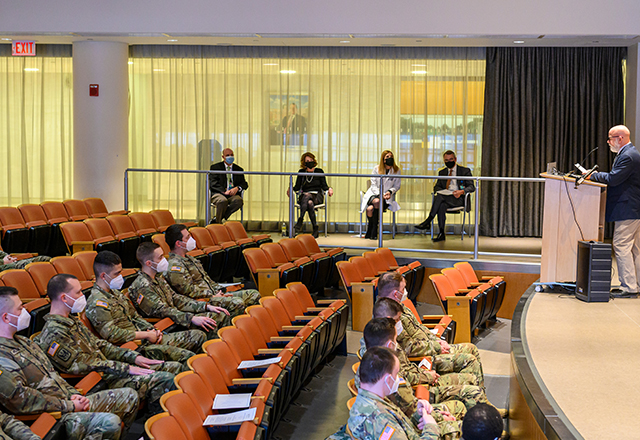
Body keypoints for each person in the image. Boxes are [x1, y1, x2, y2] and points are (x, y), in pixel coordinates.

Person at [0, 286, 138, 439]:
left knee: (129, 397)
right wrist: (69, 406)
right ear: (6, 318)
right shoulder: (2, 356)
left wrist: (73, 395)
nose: (25, 311)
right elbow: (22, 400)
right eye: (20, 308)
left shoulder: (25, 342)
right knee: (110, 423)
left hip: (68, 401)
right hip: (54, 414)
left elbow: (53, 374)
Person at [36, 274, 180, 415]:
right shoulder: (54, 333)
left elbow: (101, 345)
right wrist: (126, 368)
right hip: (101, 381)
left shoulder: (73, 321)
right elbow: (82, 365)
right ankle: (158, 424)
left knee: (173, 367)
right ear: (64, 298)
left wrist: (133, 358)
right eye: (78, 292)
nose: (82, 295)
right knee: (164, 379)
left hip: (112, 370)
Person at [85, 250, 207, 365]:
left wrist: (152, 330)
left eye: (120, 272)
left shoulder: (115, 293)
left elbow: (135, 316)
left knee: (198, 336)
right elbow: (112, 334)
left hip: (146, 338)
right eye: (117, 274)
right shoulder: (97, 302)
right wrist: (145, 335)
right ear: (103, 276)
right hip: (134, 348)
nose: (120, 277)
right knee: (188, 357)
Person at [376, 272, 486, 390]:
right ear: (396, 294)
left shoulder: (400, 307)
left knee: (471, 348)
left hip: (430, 347)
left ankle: (479, 395)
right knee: (470, 360)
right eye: (403, 288)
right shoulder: (389, 316)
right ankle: (475, 396)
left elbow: (420, 327)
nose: (406, 292)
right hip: (423, 357)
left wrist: (438, 341)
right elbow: (409, 348)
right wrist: (437, 347)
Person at [129, 242, 230, 339]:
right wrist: (191, 318)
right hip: (168, 326)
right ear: (149, 263)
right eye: (160, 257)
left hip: (178, 317)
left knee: (219, 314)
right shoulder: (142, 286)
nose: (164, 260)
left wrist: (206, 306)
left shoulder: (158, 278)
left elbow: (176, 298)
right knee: (214, 320)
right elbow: (163, 310)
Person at [163, 224, 260, 317]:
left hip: (213, 294)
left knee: (254, 295)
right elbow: (189, 292)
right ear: (178, 243)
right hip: (202, 301)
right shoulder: (175, 266)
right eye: (187, 237)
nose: (192, 239)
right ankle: (230, 330)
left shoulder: (190, 258)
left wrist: (220, 291)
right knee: (237, 302)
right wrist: (212, 296)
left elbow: (207, 279)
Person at [589, 125, 640, 297]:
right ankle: (636, 284)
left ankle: (629, 287)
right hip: (633, 208)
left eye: (610, 138)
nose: (608, 142)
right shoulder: (629, 153)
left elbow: (614, 178)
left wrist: (593, 175)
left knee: (621, 245)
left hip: (629, 208)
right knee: (635, 248)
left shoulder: (629, 156)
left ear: (620, 138)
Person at [347, 346, 440, 440]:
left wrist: (418, 414)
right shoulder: (380, 419)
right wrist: (431, 427)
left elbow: (400, 423)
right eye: (396, 374)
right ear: (388, 379)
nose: (397, 379)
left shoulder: (373, 399)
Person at [415, 150, 475, 242]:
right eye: (446, 160)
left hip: (459, 199)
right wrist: (443, 191)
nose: (449, 162)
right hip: (446, 198)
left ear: (455, 159)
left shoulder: (465, 171)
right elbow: (436, 187)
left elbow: (471, 187)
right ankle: (441, 233)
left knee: (439, 198)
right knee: (441, 204)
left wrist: (461, 191)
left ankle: (428, 221)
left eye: (451, 159)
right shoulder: (442, 172)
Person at [287, 152, 333, 237]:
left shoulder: (319, 171)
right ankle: (315, 229)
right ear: (304, 163)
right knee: (309, 203)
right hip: (305, 198)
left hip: (317, 196)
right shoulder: (301, 172)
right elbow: (297, 187)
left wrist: (329, 188)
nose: (310, 161)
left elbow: (324, 186)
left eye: (311, 160)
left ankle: (300, 220)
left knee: (308, 197)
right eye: (307, 160)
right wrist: (291, 189)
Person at [360, 150, 401, 240]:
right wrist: (380, 194)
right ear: (383, 159)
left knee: (370, 209)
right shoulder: (376, 169)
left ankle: (371, 229)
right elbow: (373, 184)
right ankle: (374, 230)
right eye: (387, 157)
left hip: (387, 197)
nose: (390, 158)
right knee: (377, 201)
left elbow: (397, 186)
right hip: (374, 194)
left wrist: (390, 192)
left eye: (391, 157)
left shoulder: (396, 170)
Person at [208, 148, 248, 224]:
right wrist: (224, 191)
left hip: (232, 195)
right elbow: (213, 183)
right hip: (219, 193)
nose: (230, 157)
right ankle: (218, 223)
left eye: (232, 155)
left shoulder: (238, 169)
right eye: (227, 155)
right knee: (222, 201)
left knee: (239, 201)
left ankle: (218, 219)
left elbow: (244, 184)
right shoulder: (215, 167)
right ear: (223, 157)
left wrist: (237, 188)